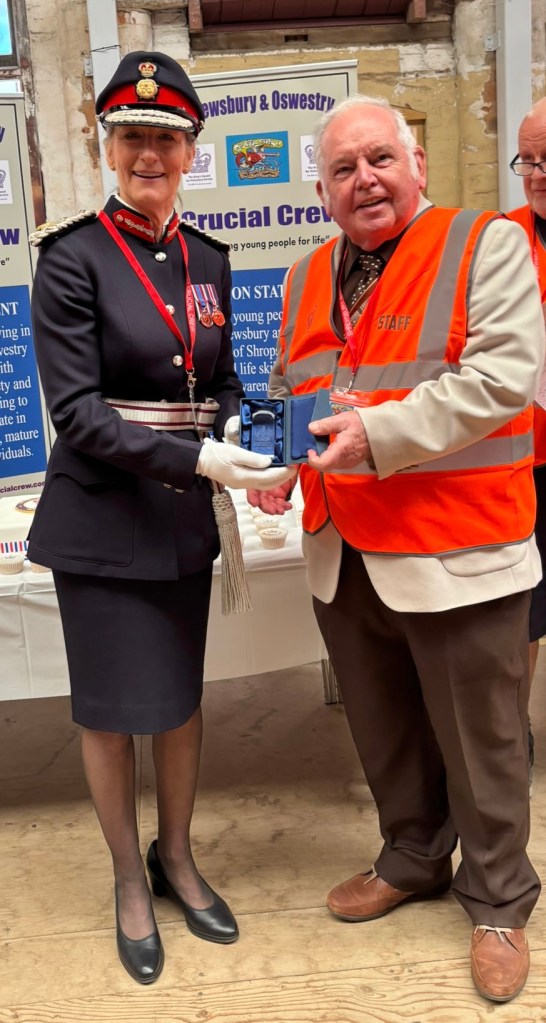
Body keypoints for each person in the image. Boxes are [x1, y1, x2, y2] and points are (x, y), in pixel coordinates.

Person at [249, 94, 544, 1003]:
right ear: (322, 191)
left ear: (417, 164)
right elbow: (292, 385)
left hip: (458, 545)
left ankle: (499, 897)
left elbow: (503, 377)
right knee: (383, 728)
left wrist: (375, 435)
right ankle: (412, 854)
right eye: (343, 169)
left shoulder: (484, 244)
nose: (364, 179)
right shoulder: (305, 275)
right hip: (343, 546)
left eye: (380, 158)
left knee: (482, 738)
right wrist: (276, 464)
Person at [28, 50, 294, 985]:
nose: (150, 153)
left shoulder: (207, 259)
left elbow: (220, 382)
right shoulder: (71, 258)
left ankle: (175, 858)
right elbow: (76, 413)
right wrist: (197, 458)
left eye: (167, 139)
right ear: (108, 147)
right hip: (101, 520)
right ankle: (126, 881)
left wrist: (240, 434)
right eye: (133, 136)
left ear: (192, 152)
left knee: (179, 704)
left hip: (182, 519)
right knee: (110, 715)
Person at [506, 96, 546, 793]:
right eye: (528, 160)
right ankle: (511, 735)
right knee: (523, 613)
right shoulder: (502, 239)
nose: (537, 174)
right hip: (522, 464)